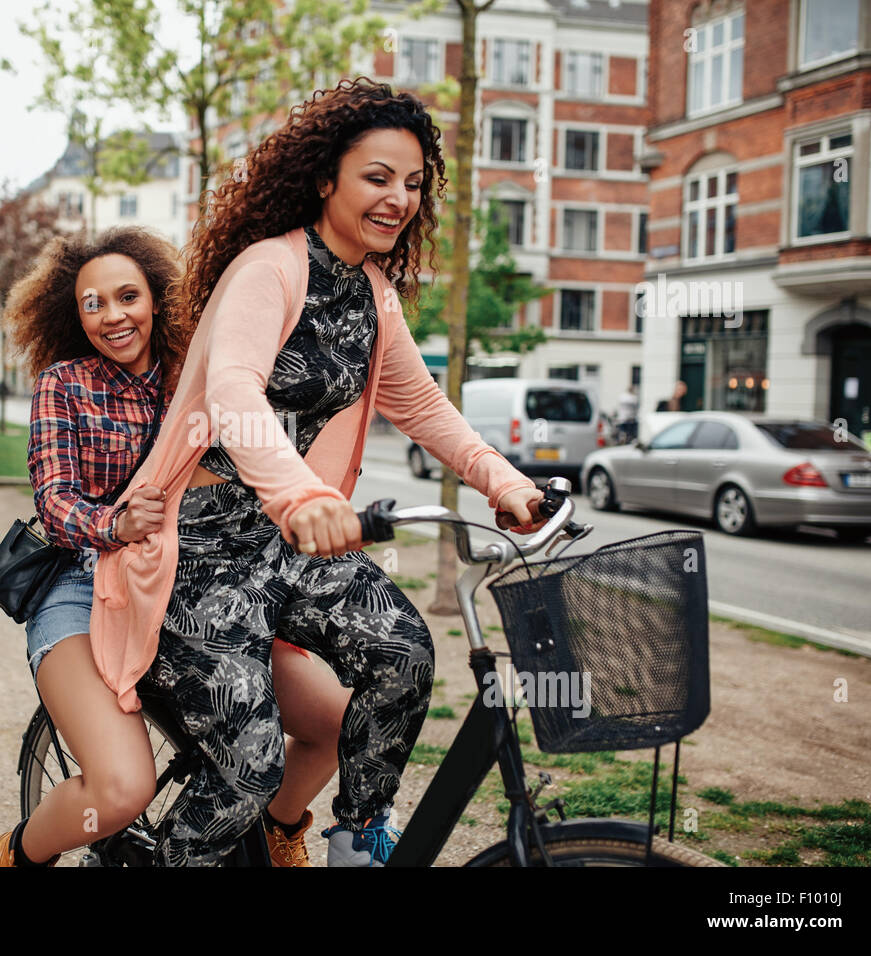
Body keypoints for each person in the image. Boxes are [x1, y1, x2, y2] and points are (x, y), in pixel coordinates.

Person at [89, 77, 549, 867]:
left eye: (413, 183)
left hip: (287, 542)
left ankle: (352, 836)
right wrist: (299, 492)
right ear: (324, 179)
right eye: (377, 177)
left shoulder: (375, 294)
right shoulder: (267, 270)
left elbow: (425, 406)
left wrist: (504, 483)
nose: (399, 199)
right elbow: (233, 389)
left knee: (403, 653)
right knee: (250, 760)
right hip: (196, 552)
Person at [0, 226, 351, 868]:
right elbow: (56, 501)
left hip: (193, 584)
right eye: (92, 304)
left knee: (339, 724)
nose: (112, 315)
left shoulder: (199, 373)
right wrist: (114, 526)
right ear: (74, 316)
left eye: (127, 296)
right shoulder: (64, 384)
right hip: (80, 586)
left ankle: (275, 828)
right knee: (123, 788)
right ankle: (16, 856)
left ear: (156, 297)